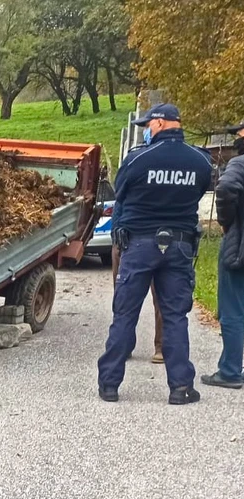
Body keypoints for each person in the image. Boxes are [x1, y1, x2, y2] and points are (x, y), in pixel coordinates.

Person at [96, 103, 212, 405]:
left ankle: (109, 385)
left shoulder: (138, 159)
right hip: (180, 246)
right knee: (175, 316)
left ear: (160, 124)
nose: (146, 129)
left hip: (139, 245)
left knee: (125, 313)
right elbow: (200, 192)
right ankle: (180, 388)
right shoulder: (200, 161)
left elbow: (120, 192)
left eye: (148, 124)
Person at [111, 142, 164, 365]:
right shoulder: (130, 173)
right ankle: (124, 344)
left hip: (154, 240)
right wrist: (116, 237)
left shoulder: (159, 179)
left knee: (161, 297)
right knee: (123, 298)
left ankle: (161, 345)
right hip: (125, 239)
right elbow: (118, 205)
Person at [202, 121, 244, 389]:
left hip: (239, 247)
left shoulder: (239, 164)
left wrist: (227, 223)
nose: (237, 136)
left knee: (232, 309)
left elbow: (226, 189)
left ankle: (230, 371)